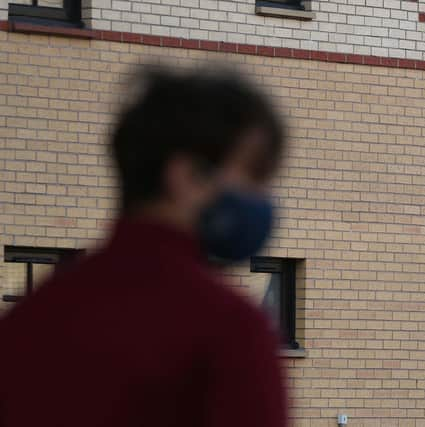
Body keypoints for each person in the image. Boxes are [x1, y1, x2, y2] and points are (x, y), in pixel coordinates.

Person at [0, 65, 287, 426]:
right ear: (186, 176)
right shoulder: (230, 332)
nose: (264, 197)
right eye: (256, 175)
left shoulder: (28, 319)